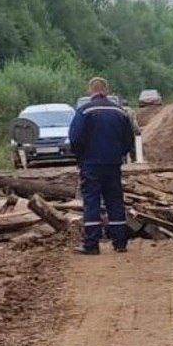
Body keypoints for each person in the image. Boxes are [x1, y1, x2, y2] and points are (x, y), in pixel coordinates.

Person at [69, 77, 135, 255]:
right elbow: (129, 140)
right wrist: (118, 154)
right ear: (106, 90)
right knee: (115, 200)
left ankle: (91, 244)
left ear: (90, 90)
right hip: (113, 164)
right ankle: (120, 242)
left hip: (91, 164)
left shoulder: (84, 111)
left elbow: (75, 139)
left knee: (92, 202)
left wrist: (81, 156)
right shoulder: (120, 112)